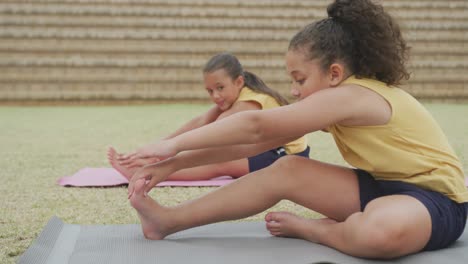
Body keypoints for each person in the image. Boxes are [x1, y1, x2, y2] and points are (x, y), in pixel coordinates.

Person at [123, 0, 467, 259]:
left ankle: (319, 231)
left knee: (380, 233)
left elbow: (256, 126)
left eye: (299, 80)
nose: (294, 91)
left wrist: (172, 145)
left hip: (438, 202)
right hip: (382, 190)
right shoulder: (335, 101)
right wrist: (173, 165)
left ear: (334, 73)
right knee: (286, 168)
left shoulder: (354, 95)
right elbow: (251, 144)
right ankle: (166, 221)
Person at [108, 52, 309, 181]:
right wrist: (160, 147)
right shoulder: (235, 96)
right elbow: (200, 122)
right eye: (210, 91)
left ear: (239, 82)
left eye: (220, 88)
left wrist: (162, 158)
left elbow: (213, 136)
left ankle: (149, 174)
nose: (215, 96)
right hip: (269, 150)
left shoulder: (250, 101)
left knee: (220, 161)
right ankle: (152, 167)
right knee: (217, 153)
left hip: (288, 156)